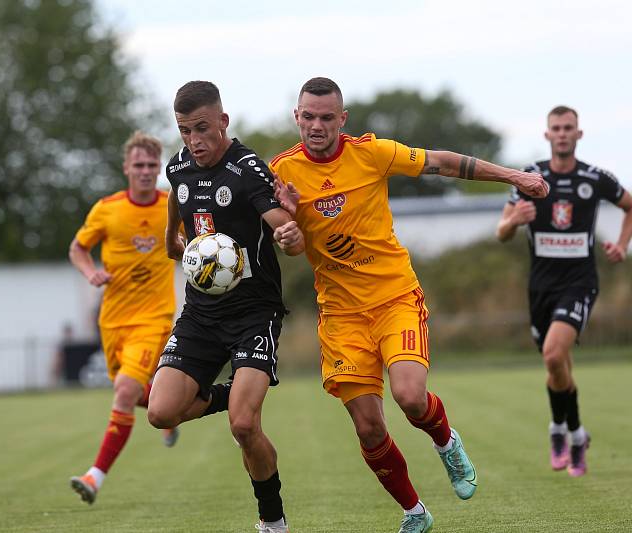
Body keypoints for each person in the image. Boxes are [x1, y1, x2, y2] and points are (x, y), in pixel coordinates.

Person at [270, 77, 549, 533]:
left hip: (394, 297)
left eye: (326, 117)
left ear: (343, 120)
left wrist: (514, 176)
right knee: (368, 429)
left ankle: (446, 442)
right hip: (340, 316)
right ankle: (415, 513)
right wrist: (289, 233)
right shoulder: (280, 171)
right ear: (296, 117)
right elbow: (294, 247)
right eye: (308, 116)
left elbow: (441, 162)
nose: (316, 125)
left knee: (409, 397)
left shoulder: (372, 153)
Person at [146, 80, 304, 533]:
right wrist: (173, 244)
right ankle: (228, 392)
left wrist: (290, 233)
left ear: (222, 121)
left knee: (244, 425)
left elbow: (285, 231)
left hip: (254, 313)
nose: (194, 141)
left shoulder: (247, 169)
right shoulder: (179, 166)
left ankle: (272, 522)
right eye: (184, 131)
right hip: (201, 314)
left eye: (202, 129)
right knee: (160, 413)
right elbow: (177, 210)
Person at [496, 105, 632, 477]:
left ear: (578, 134)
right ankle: (575, 432)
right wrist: (513, 221)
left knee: (554, 356)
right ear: (546, 134)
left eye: (568, 127)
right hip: (540, 287)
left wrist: (622, 245)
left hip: (580, 283)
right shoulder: (529, 177)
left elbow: (629, 205)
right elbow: (501, 232)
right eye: (556, 127)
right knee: (557, 367)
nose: (562, 133)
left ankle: (559, 429)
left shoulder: (595, 178)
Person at [67, 131, 179, 505]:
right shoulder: (108, 209)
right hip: (113, 321)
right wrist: (90, 273)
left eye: (152, 165)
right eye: (139, 165)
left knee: (125, 391)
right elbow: (78, 248)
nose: (146, 172)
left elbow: (201, 239)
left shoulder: (173, 204)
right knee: (131, 393)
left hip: (154, 318)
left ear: (158, 167)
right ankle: (172, 410)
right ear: (127, 168)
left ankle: (94, 476)